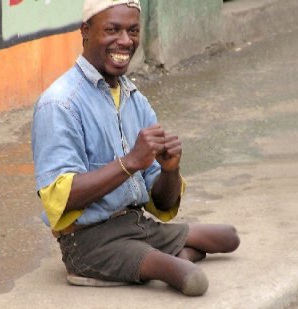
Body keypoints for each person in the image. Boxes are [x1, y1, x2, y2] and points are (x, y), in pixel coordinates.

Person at [31, 0, 240, 297]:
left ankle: (155, 258)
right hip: (90, 242)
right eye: (112, 30)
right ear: (85, 31)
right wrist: (130, 162)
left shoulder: (134, 98)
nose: (125, 41)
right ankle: (153, 262)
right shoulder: (60, 103)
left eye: (133, 31)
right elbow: (60, 199)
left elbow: (163, 203)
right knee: (193, 279)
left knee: (228, 238)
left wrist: (170, 170)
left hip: (136, 225)